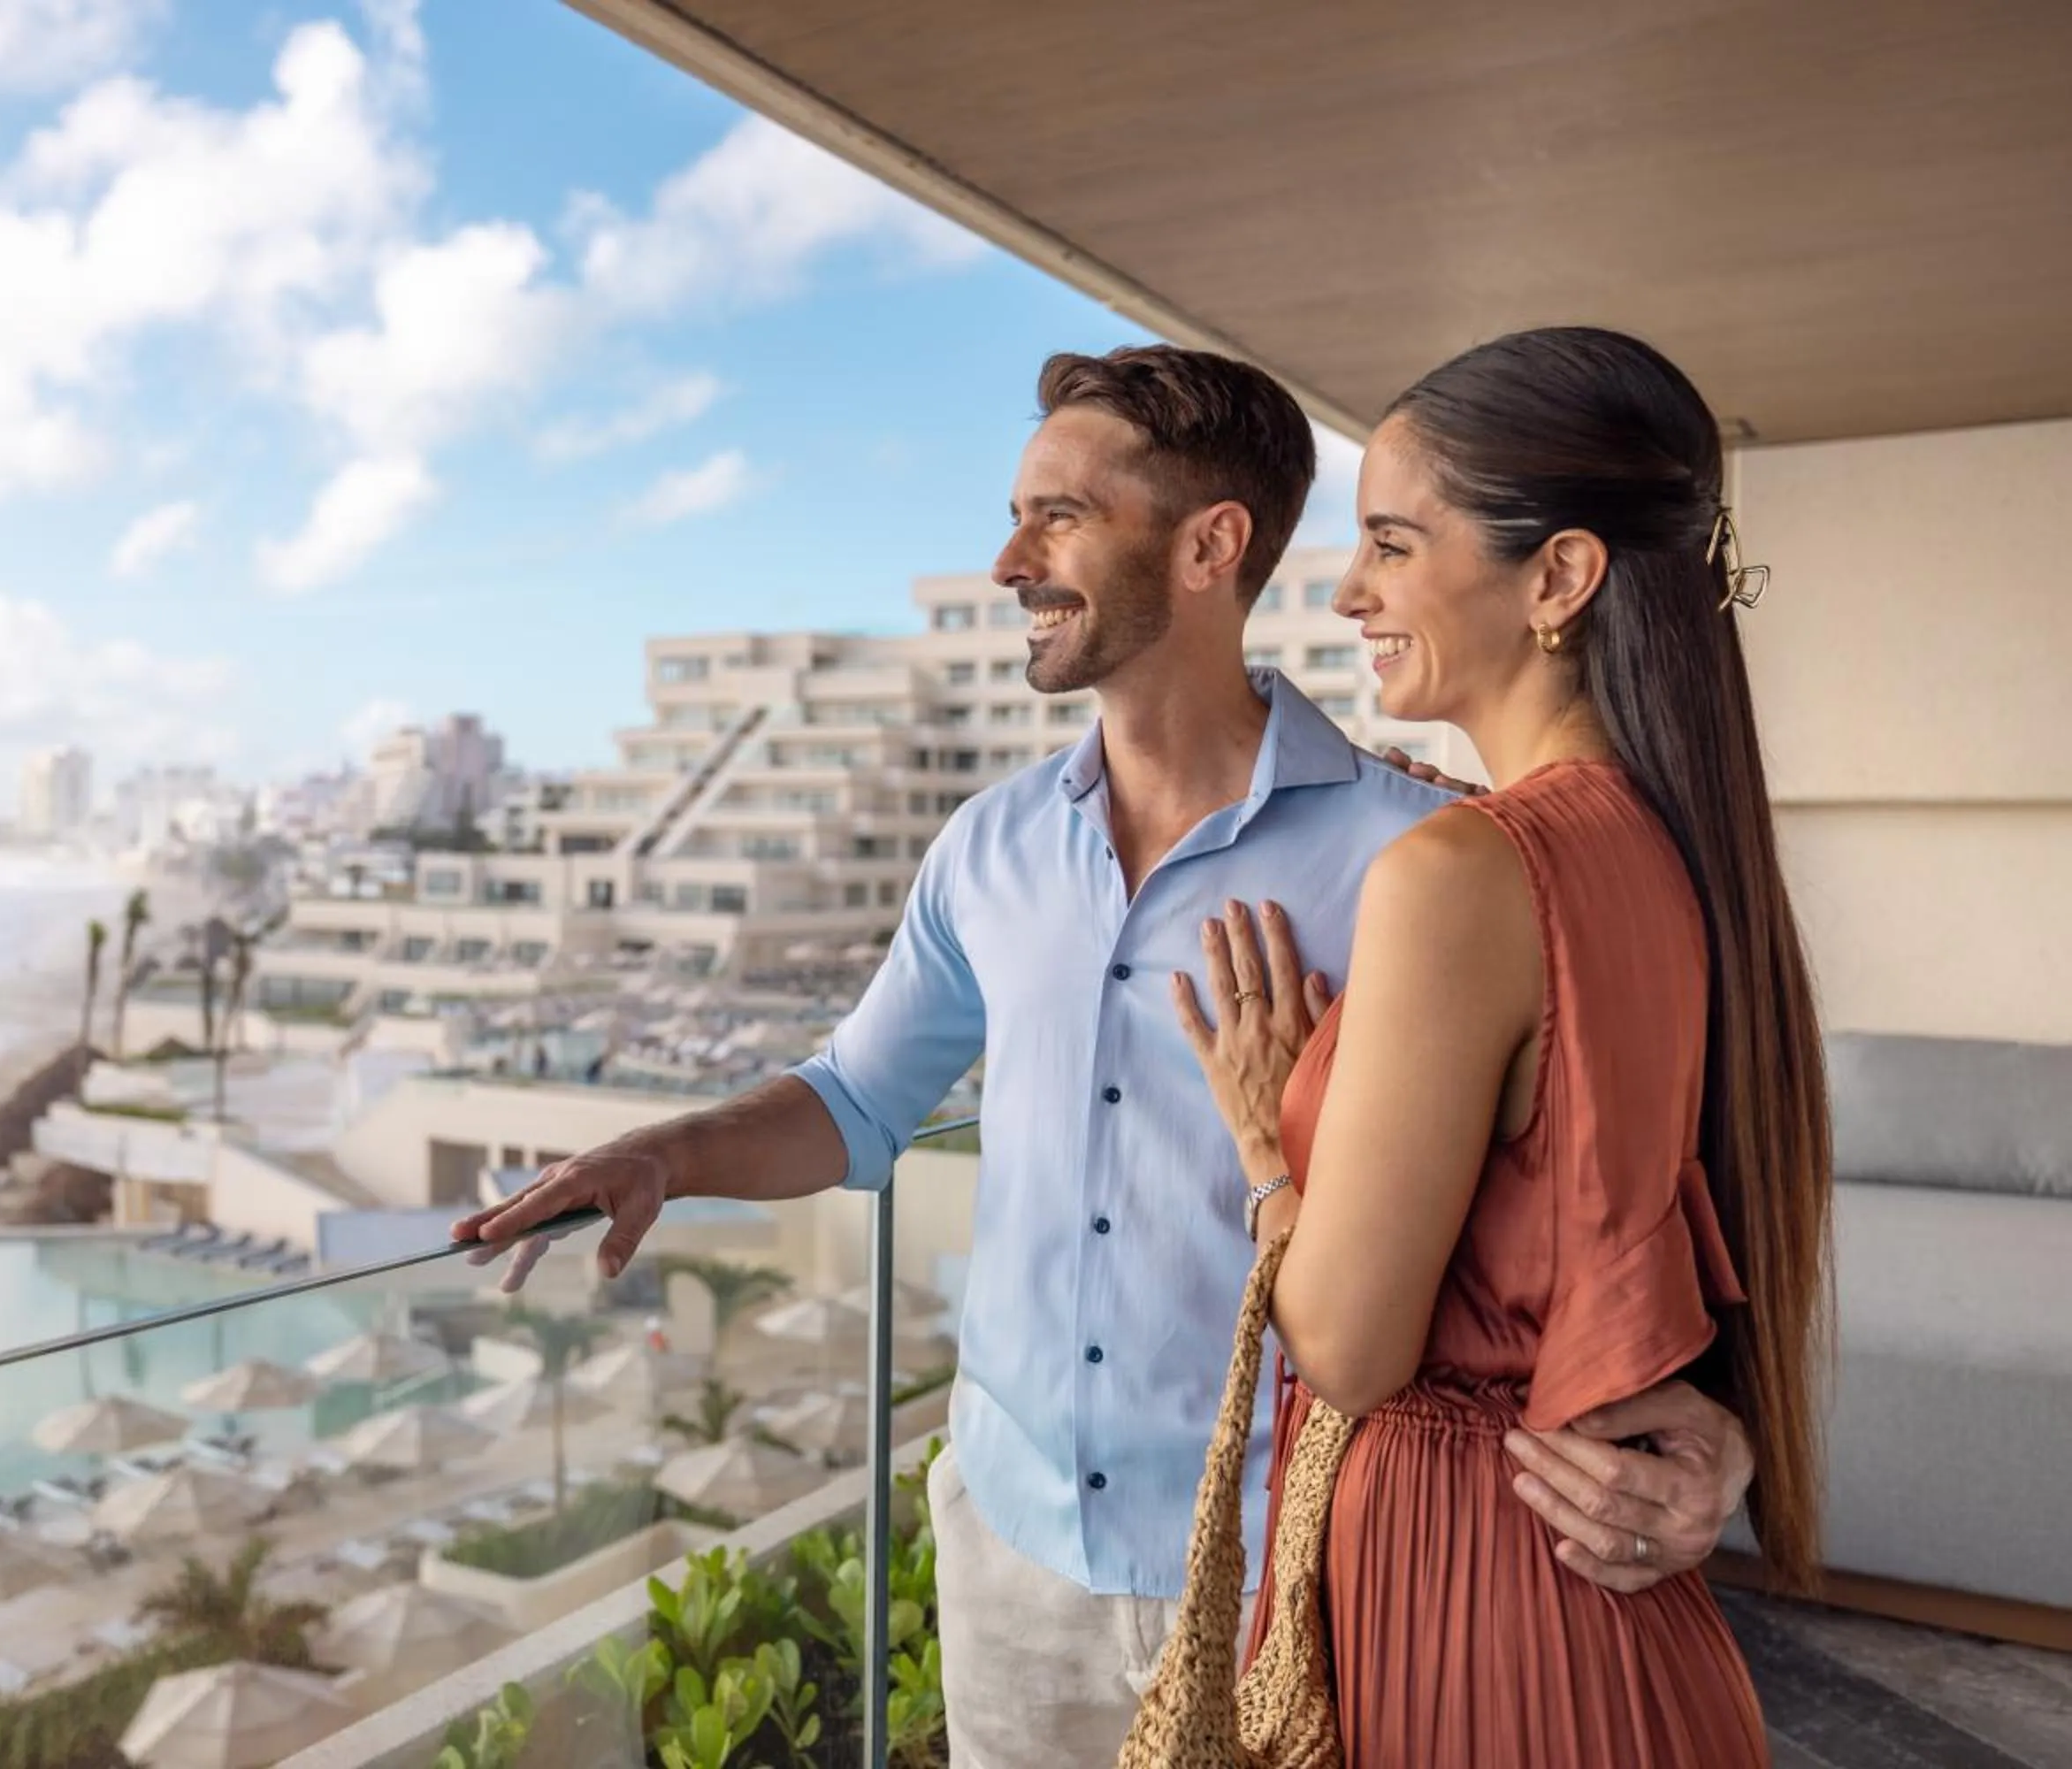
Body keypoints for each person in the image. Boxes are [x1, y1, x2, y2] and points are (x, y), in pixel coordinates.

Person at [454, 343, 1758, 1766]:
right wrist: (667, 1153)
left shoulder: (1431, 855)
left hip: (1291, 1572)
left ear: (1209, 547)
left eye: (1060, 517)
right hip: (1013, 1559)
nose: (1012, 561)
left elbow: (1591, 1194)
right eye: (1018, 517)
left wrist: (1699, 1432)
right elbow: (855, 1098)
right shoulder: (990, 847)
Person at [1176, 325, 1829, 1765]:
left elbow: (1350, 1350)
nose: (1349, 590)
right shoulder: (1674, 846)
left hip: (1480, 1606)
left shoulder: (1466, 874)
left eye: (1392, 544)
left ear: (1559, 577)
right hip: (1597, 1620)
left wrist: (1269, 1141)